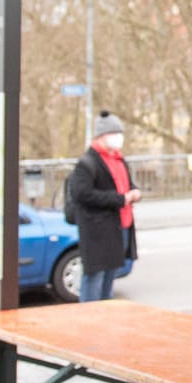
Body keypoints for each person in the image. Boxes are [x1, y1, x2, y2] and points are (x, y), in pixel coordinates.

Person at [68, 111, 139, 302]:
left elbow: (125, 184)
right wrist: (121, 199)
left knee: (109, 278)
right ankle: (90, 322)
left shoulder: (118, 159)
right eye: (115, 134)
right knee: (94, 279)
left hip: (118, 228)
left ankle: (105, 320)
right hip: (97, 232)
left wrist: (133, 192)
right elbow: (82, 194)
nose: (119, 138)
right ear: (102, 135)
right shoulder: (87, 163)